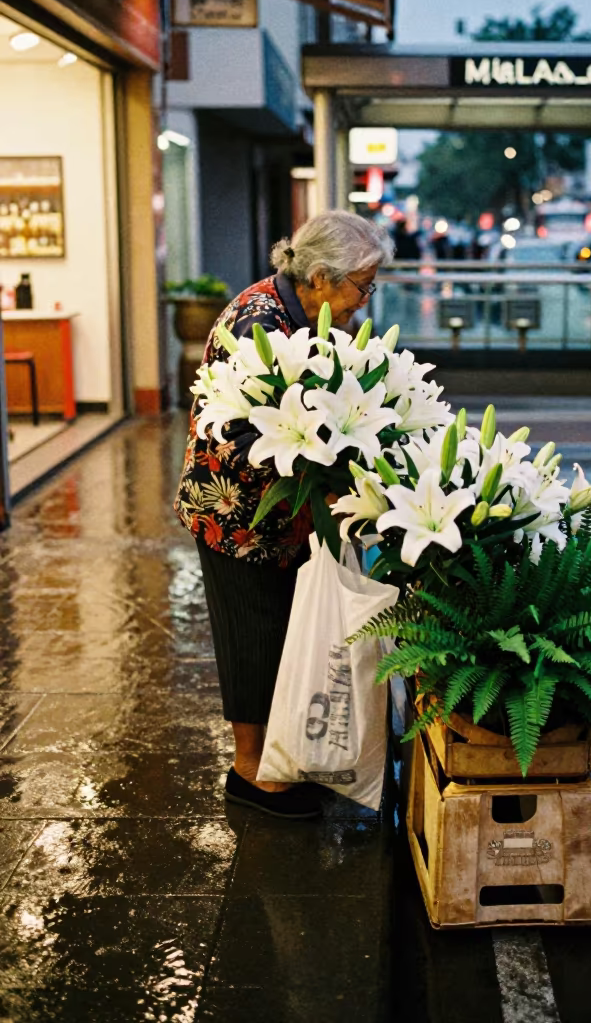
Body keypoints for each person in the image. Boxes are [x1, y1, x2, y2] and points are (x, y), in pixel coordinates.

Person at [173, 210, 394, 819]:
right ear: (320, 277)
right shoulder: (258, 322)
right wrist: (321, 478)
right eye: (362, 286)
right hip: (236, 512)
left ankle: (281, 757)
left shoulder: (309, 315)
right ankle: (250, 774)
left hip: (284, 513)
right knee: (251, 636)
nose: (365, 300)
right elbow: (241, 433)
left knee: (280, 636)